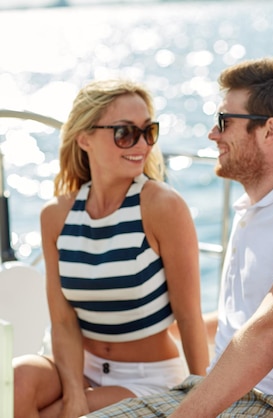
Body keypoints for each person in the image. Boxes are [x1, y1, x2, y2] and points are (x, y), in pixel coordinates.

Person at [84, 57, 273, 418]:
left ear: (270, 131)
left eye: (224, 122)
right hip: (217, 388)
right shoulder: (254, 209)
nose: (213, 134)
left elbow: (271, 331)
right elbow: (238, 322)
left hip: (269, 401)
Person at [12, 79, 210, 417]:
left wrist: (204, 399)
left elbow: (190, 316)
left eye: (149, 131)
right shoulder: (57, 216)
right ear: (85, 138)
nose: (141, 144)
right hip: (77, 367)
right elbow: (62, 321)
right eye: (124, 132)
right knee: (15, 383)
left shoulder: (161, 206)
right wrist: (74, 390)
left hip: (148, 378)